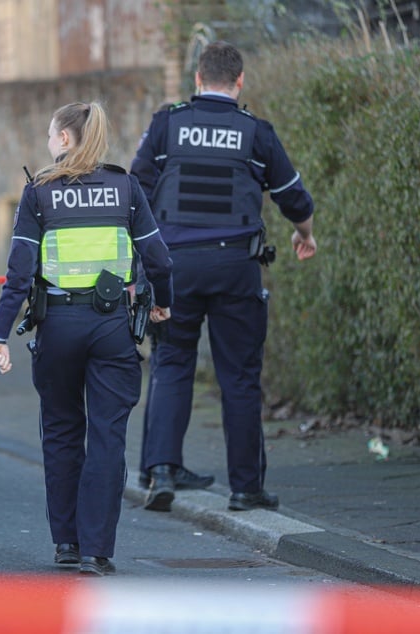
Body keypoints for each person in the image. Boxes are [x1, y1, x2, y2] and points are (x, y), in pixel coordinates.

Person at [131, 41, 317, 513]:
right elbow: (294, 197)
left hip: (174, 266)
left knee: (171, 361)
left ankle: (162, 471)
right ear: (239, 82)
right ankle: (245, 487)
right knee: (239, 375)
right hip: (236, 266)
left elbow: (136, 191)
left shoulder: (167, 123)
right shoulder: (254, 132)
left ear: (196, 79)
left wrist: (141, 263)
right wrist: (304, 235)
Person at [0, 101, 173, 576]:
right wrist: (162, 302)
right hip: (112, 329)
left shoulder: (39, 194)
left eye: (52, 135)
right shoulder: (126, 188)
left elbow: (18, 272)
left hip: (59, 328)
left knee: (62, 432)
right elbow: (159, 258)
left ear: (65, 139)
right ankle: (96, 550)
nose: (49, 144)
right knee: (108, 436)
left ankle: (66, 544)